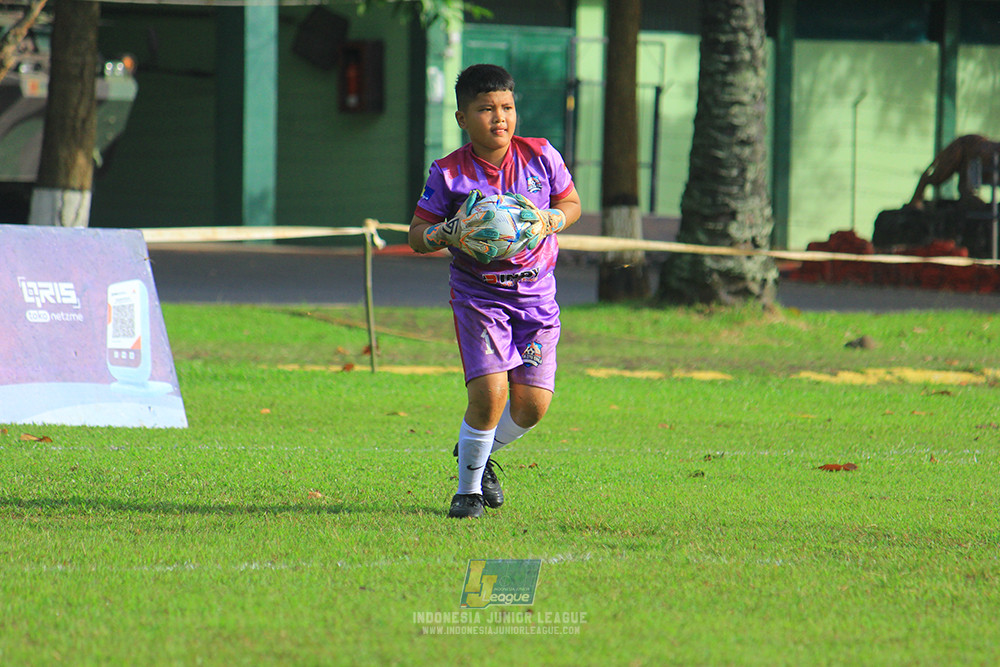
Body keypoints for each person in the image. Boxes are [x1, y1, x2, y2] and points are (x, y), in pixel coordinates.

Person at [408, 63, 582, 519]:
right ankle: (467, 492)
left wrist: (553, 220)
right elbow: (417, 236)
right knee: (488, 396)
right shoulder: (448, 174)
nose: (499, 117)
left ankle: (479, 454)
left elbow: (571, 202)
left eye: (507, 106)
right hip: (479, 297)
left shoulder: (542, 156)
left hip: (537, 297)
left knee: (532, 406)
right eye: (486, 109)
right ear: (463, 118)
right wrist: (449, 231)